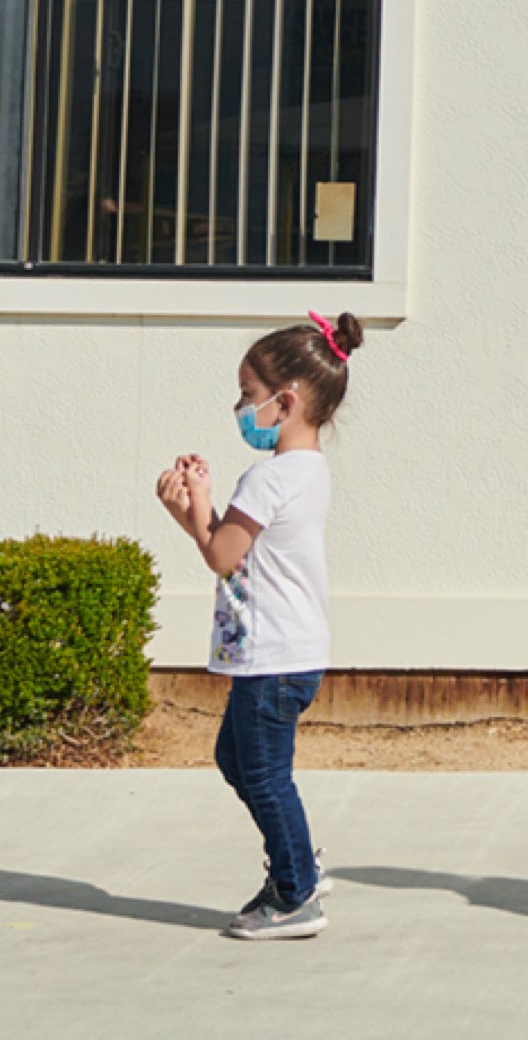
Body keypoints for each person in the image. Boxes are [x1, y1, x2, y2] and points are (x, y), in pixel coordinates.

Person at [154, 312, 365, 941]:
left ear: (287, 401)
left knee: (265, 775)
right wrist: (200, 508)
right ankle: (299, 862)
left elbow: (222, 555)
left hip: (273, 658)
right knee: (238, 760)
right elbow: (235, 550)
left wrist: (192, 506)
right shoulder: (307, 470)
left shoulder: (269, 477)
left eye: (249, 395)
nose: (241, 408)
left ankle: (297, 894)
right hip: (292, 652)